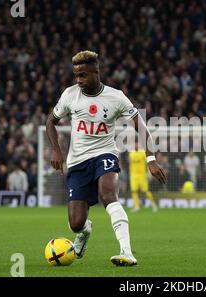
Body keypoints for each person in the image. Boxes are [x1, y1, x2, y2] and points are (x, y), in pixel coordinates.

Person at [46, 51, 167, 266]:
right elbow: (50, 122)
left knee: (108, 195)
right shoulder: (69, 95)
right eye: (76, 75)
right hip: (77, 162)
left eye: (83, 75)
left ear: (96, 72)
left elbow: (141, 126)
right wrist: (56, 149)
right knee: (75, 223)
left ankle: (126, 251)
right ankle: (84, 232)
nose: (79, 80)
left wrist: (151, 159)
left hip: (105, 154)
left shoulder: (116, 97)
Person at [128, 139, 158, 212]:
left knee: (145, 191)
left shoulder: (143, 153)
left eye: (137, 144)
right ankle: (136, 206)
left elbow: (147, 163)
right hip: (133, 175)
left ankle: (153, 204)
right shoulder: (131, 154)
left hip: (142, 175)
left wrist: (148, 172)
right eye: (135, 144)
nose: (136, 146)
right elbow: (130, 164)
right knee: (134, 191)